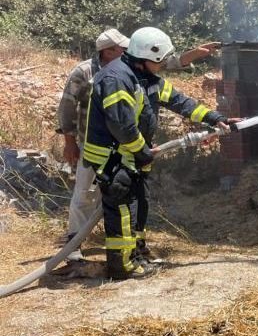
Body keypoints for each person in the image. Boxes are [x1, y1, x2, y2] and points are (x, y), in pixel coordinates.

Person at [81, 27, 233, 280]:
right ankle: (122, 267)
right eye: (159, 60)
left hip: (132, 157)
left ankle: (137, 254)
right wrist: (142, 151)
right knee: (122, 211)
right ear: (143, 57)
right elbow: (121, 125)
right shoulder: (117, 79)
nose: (163, 65)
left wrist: (214, 118)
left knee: (138, 206)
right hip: (113, 159)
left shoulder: (145, 78)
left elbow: (180, 102)